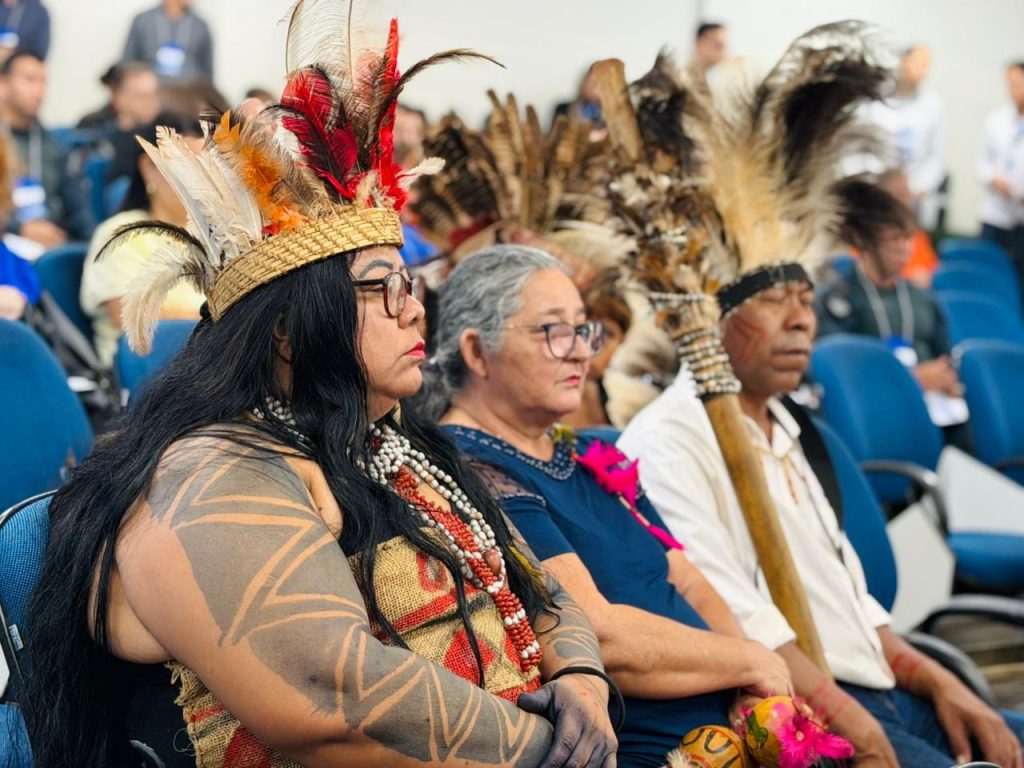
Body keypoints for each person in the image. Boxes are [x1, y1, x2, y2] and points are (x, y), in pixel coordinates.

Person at [23, 4, 616, 766]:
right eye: (381, 288)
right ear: (287, 330)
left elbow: (538, 587)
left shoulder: (393, 444)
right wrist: (554, 751)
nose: (415, 308)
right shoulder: (215, 470)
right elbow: (337, 704)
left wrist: (583, 683)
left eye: (412, 284)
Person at [619, 263, 1024, 768]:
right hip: (809, 714)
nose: (801, 321)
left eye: (806, 300)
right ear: (709, 317)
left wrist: (945, 684)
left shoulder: (791, 426)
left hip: (882, 691)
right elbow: (734, 622)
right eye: (773, 300)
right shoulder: (666, 441)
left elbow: (853, 603)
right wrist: (861, 731)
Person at [436, 245, 795, 768]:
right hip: (651, 748)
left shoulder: (586, 452)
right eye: (554, 331)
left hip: (730, 727)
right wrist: (748, 659)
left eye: (584, 329)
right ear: (476, 351)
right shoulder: (472, 467)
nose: (582, 351)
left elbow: (686, 579)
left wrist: (751, 684)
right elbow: (598, 632)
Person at [79, 114, 205, 367]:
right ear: (150, 168)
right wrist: (227, 322)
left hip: (217, 372)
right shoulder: (121, 235)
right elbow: (134, 321)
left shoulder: (216, 236)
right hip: (152, 378)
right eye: (190, 164)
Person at [816, 179, 960, 398]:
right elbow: (837, 368)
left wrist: (949, 380)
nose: (903, 249)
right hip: (870, 401)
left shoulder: (922, 298)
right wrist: (910, 380)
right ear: (867, 242)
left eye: (907, 238)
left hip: (933, 404)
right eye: (893, 239)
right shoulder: (840, 297)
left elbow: (946, 357)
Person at [0, 49, 94, 247]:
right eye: (29, 80)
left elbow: (77, 207)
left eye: (43, 82)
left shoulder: (53, 145)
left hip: (49, 243)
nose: (39, 90)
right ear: (4, 84)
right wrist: (20, 227)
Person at [864, 46, 946, 232]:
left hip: (911, 195)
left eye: (926, 66)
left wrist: (918, 190)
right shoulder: (875, 97)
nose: (921, 71)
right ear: (903, 62)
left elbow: (936, 155)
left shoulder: (932, 105)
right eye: (917, 63)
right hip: (874, 190)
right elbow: (857, 146)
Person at [561, 268, 631, 429]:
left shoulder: (601, 393)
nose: (589, 346)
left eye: (606, 334)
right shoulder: (556, 397)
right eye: (584, 330)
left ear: (622, 341)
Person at [977, 61, 1024, 280]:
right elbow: (982, 161)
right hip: (995, 213)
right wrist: (993, 179)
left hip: (1021, 216)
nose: (1012, 90)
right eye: (1009, 84)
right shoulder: (997, 119)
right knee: (987, 273)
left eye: (1017, 83)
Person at [97, 61, 162, 183]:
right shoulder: (97, 130)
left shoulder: (165, 137)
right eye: (141, 95)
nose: (149, 102)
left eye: (154, 95)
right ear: (118, 97)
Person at [122, 0, 213, 82]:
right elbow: (128, 62)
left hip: (187, 93)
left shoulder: (200, 25)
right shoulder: (143, 20)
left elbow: (207, 70)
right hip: (151, 92)